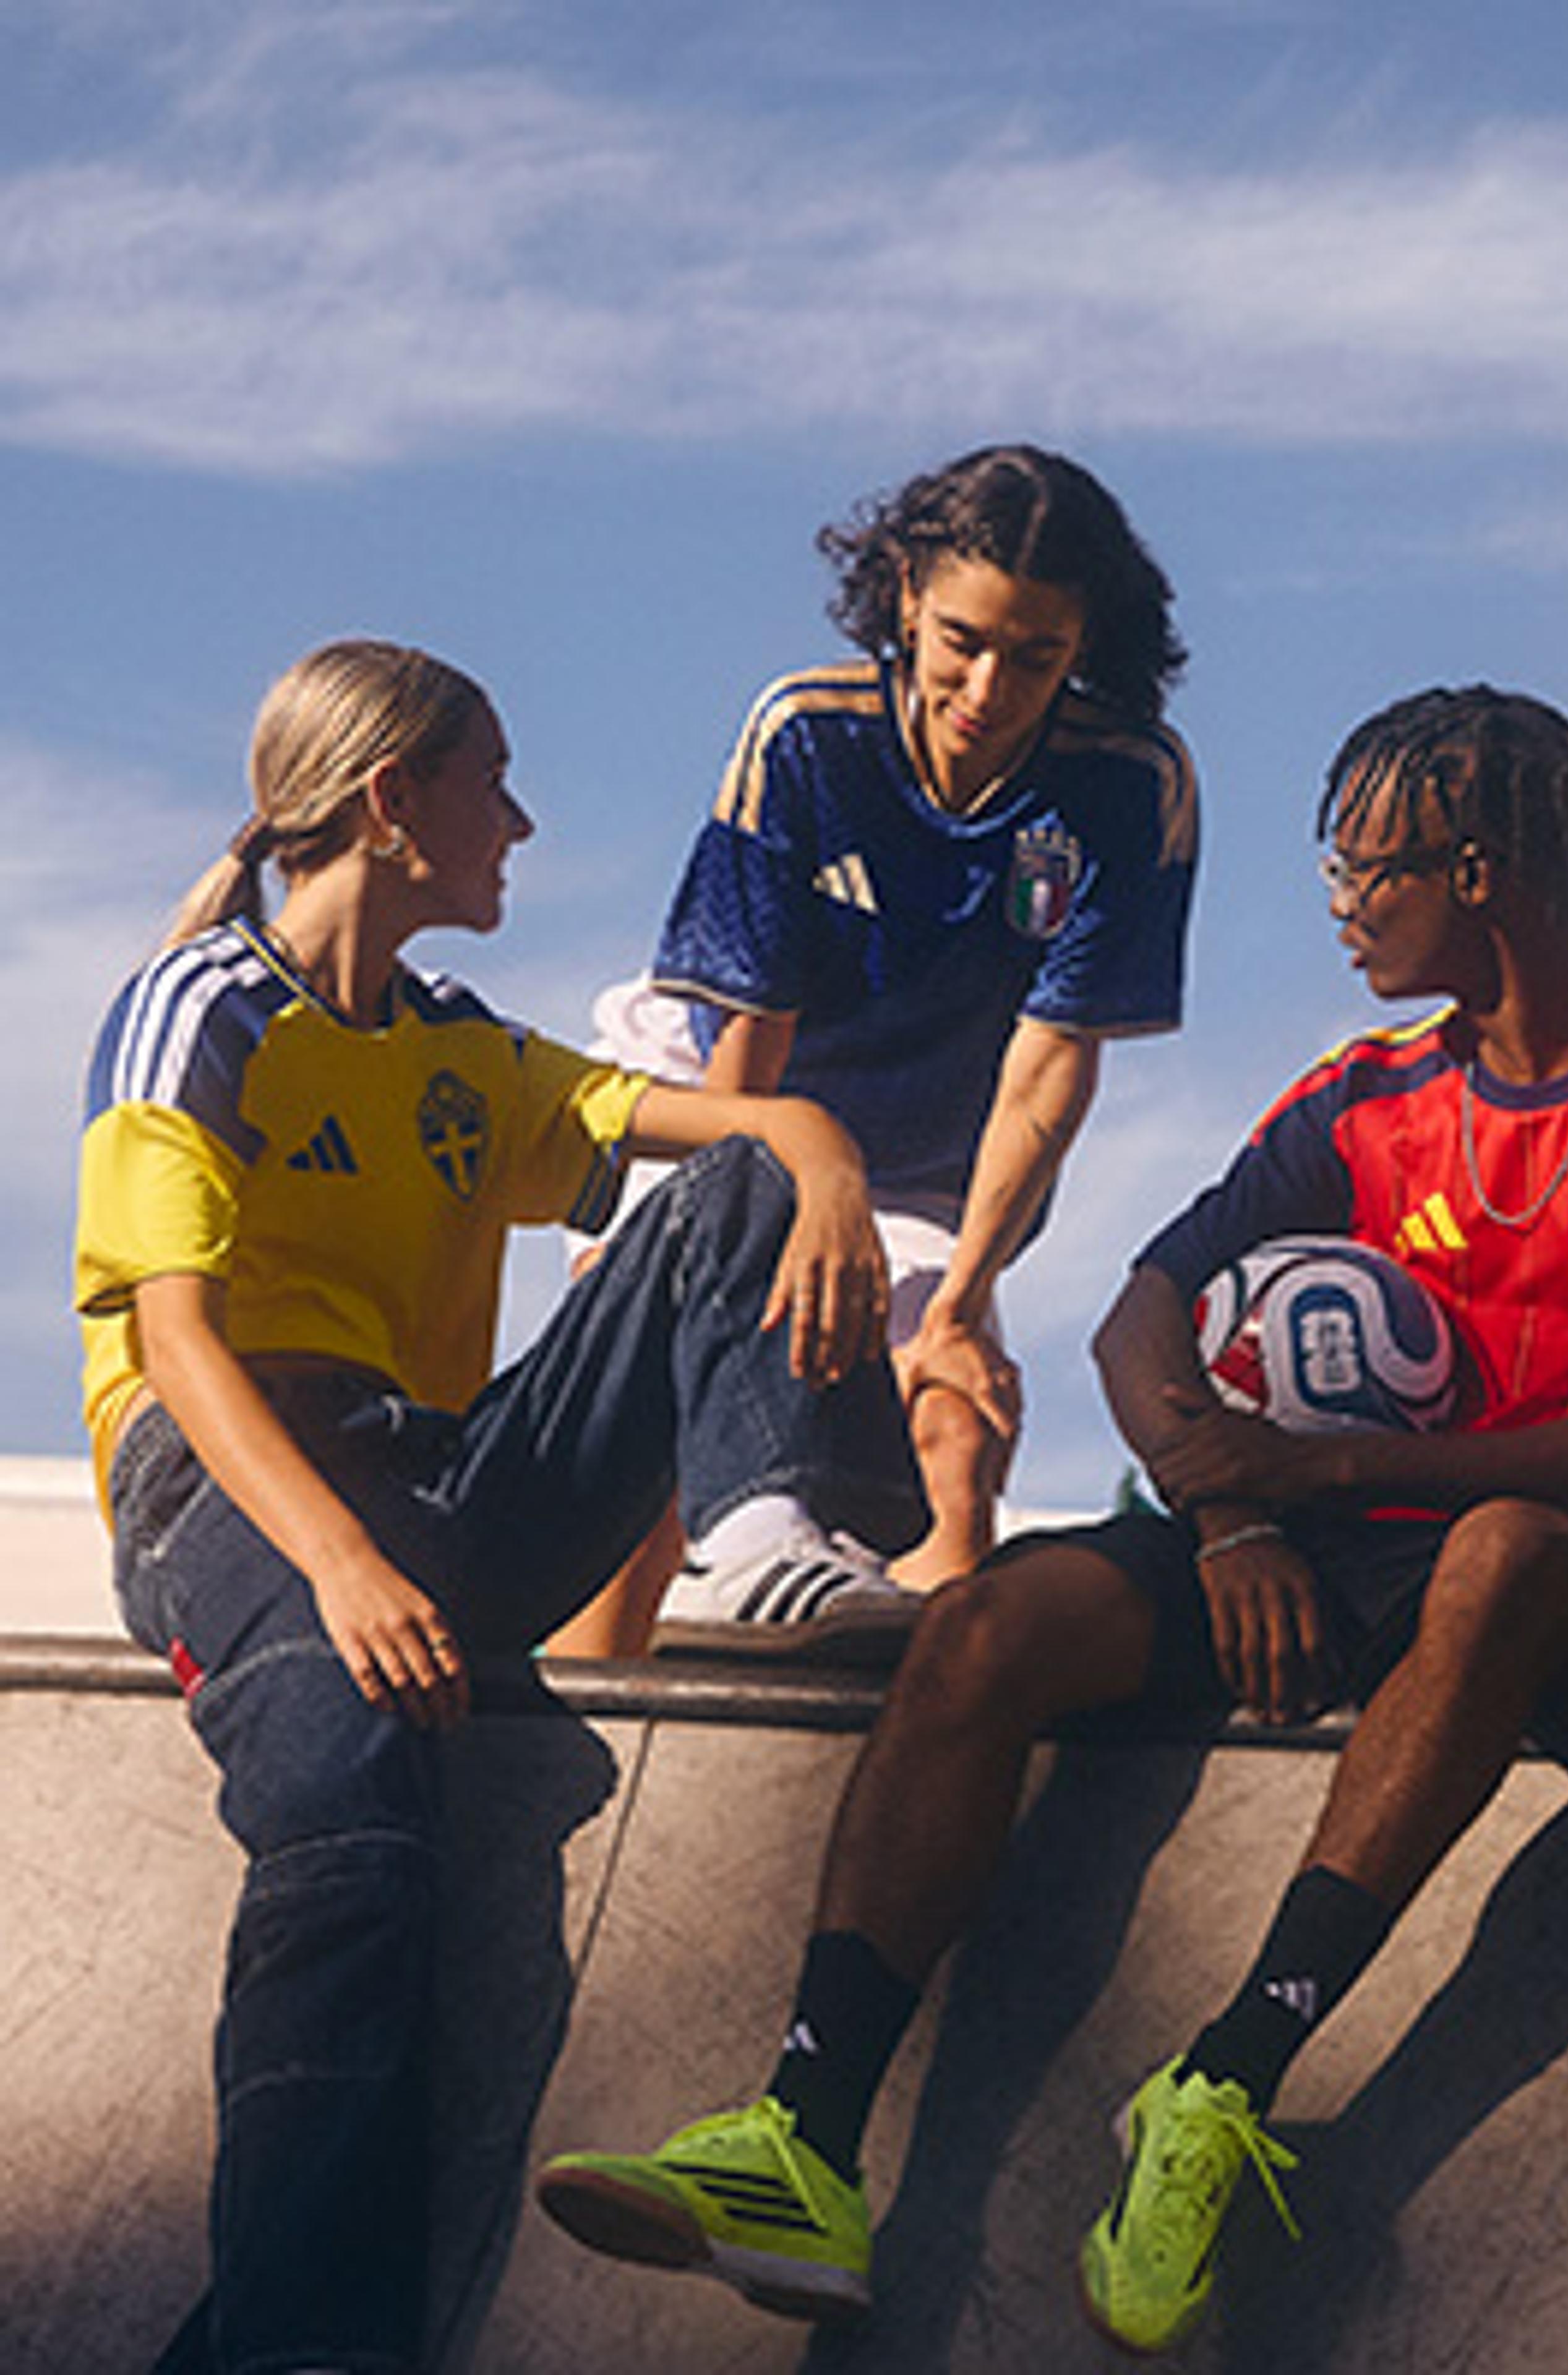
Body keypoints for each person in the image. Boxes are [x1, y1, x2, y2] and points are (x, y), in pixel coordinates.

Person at [534, 685, 1568, 2351]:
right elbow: (1142, 1321)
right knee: (990, 1619)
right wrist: (1230, 1522)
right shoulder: (1357, 1097)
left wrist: (1316, 1481)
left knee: (1506, 1550)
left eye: (1373, 872)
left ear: (1484, 873)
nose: (1343, 906)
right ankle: (800, 2135)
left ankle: (1225, 2081)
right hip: (1304, 1530)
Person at [75, 640, 928, 2373]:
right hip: (235, 1479)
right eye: (495, 784)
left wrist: (823, 1143)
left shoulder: (464, 1053)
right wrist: (336, 1562)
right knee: (358, 1821)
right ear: (395, 804)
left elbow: (715, 1137)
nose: (523, 825)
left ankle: (768, 1526)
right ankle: (294, 2347)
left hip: (452, 1488)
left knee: (752, 1174)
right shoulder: (201, 1008)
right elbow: (174, 1340)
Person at [547, 443, 1197, 1655]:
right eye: (962, 640)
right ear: (905, 592)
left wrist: (962, 1299)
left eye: (1037, 656)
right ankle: (566, 1766)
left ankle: (920, 1757)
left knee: (957, 1422)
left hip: (929, 1155)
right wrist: (714, 1261)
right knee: (659, 1458)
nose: (989, 688)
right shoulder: (809, 738)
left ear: (1087, 644)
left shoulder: (1128, 783)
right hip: (733, 1106)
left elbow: (1049, 1074)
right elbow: (750, 1043)